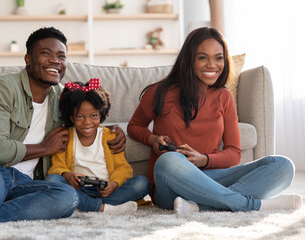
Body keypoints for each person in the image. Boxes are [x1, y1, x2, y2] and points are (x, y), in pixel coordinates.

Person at [0, 27, 126, 230]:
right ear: (28, 59)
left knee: (66, 197)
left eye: (61, 56)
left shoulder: (62, 96)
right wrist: (45, 148)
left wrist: (108, 128)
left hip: (25, 182)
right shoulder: (3, 88)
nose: (55, 61)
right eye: (46, 53)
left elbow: (81, 121)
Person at [127, 27, 303, 214]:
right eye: (202, 57)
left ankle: (199, 207)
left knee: (283, 166)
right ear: (189, 60)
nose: (212, 65)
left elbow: (234, 153)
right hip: (172, 184)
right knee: (168, 160)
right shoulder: (159, 92)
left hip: (211, 176)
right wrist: (153, 139)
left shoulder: (224, 97)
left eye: (218, 58)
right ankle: (253, 205)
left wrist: (204, 160)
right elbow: (134, 126)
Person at [46, 79, 150, 213]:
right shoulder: (65, 137)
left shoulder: (110, 136)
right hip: (78, 189)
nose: (87, 122)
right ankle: (103, 208)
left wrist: (114, 184)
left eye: (93, 116)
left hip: (106, 190)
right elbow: (56, 167)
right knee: (52, 180)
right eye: (80, 117)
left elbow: (123, 168)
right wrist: (67, 175)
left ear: (101, 114)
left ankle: (81, 204)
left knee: (142, 183)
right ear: (71, 118)